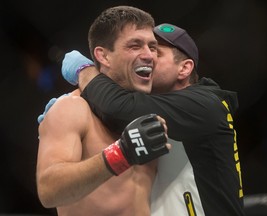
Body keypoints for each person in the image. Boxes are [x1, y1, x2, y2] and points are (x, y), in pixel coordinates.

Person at [61, 23, 245, 215]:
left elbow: (118, 108)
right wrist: (76, 101)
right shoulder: (161, 106)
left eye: (156, 51)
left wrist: (84, 70)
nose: (147, 56)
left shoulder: (204, 104)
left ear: (184, 68)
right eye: (141, 48)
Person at [36, 6, 170, 216]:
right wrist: (121, 154)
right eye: (135, 46)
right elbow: (49, 190)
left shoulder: (153, 108)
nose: (148, 55)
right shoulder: (72, 108)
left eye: (152, 47)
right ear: (103, 56)